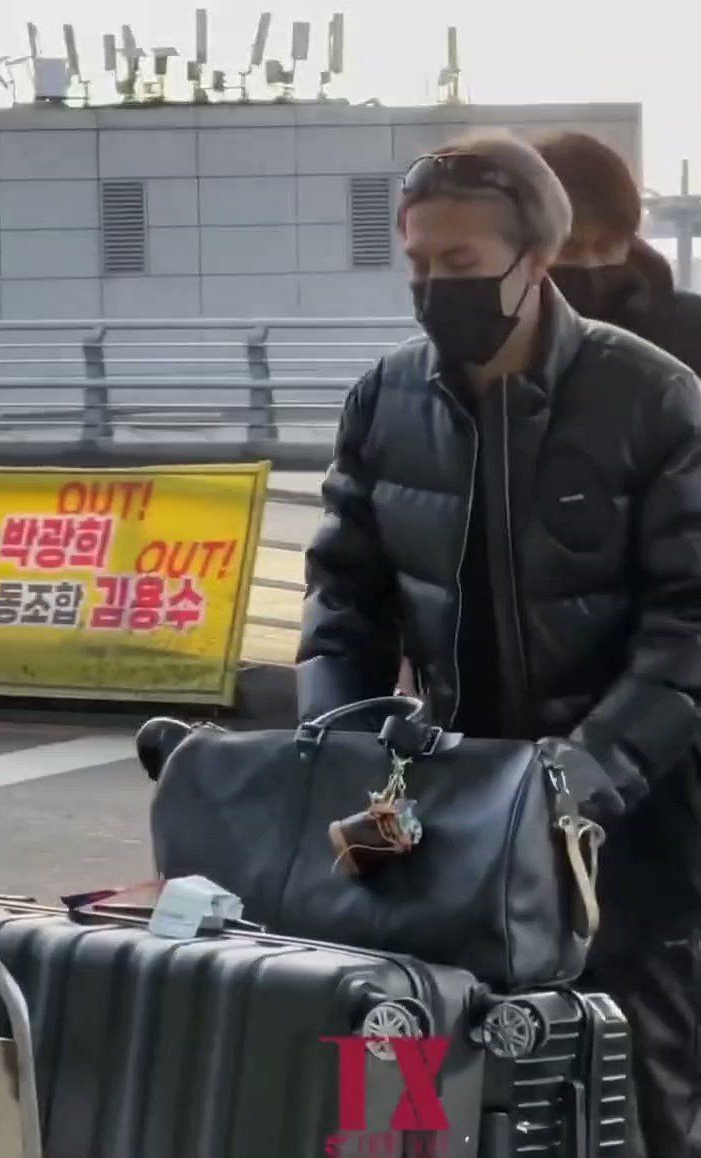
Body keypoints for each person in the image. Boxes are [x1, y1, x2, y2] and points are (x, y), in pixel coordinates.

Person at [297, 131, 701, 1157]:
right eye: (419, 265)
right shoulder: (381, 402)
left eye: (461, 266)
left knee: (632, 1101)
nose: (434, 289)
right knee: (397, 1088)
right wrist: (339, 747)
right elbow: (344, 603)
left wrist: (585, 778)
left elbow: (689, 626)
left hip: (631, 835)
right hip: (441, 816)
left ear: (537, 259)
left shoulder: (652, 399)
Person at [536, 130, 701, 374]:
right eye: (569, 248)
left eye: (605, 247)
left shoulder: (690, 328)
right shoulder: (501, 337)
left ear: (629, 242)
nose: (589, 262)